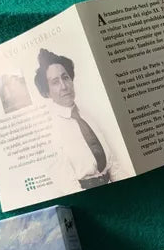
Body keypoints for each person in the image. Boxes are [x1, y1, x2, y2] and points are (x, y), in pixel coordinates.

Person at [34, 48, 123, 190]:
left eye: (65, 77)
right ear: (47, 92)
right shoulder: (51, 130)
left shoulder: (87, 116)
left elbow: (112, 163)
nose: (64, 86)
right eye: (55, 82)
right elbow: (68, 186)